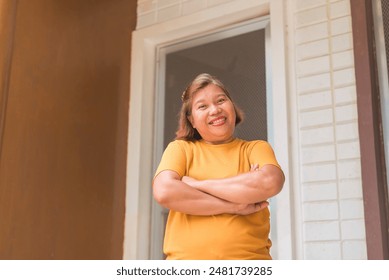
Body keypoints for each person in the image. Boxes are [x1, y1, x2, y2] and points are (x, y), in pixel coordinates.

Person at [153, 73, 285, 260]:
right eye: (202, 106)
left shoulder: (255, 148)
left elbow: (270, 182)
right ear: (191, 120)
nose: (215, 110)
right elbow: (164, 191)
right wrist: (235, 206)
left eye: (221, 100)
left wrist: (196, 184)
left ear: (232, 106)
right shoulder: (180, 149)